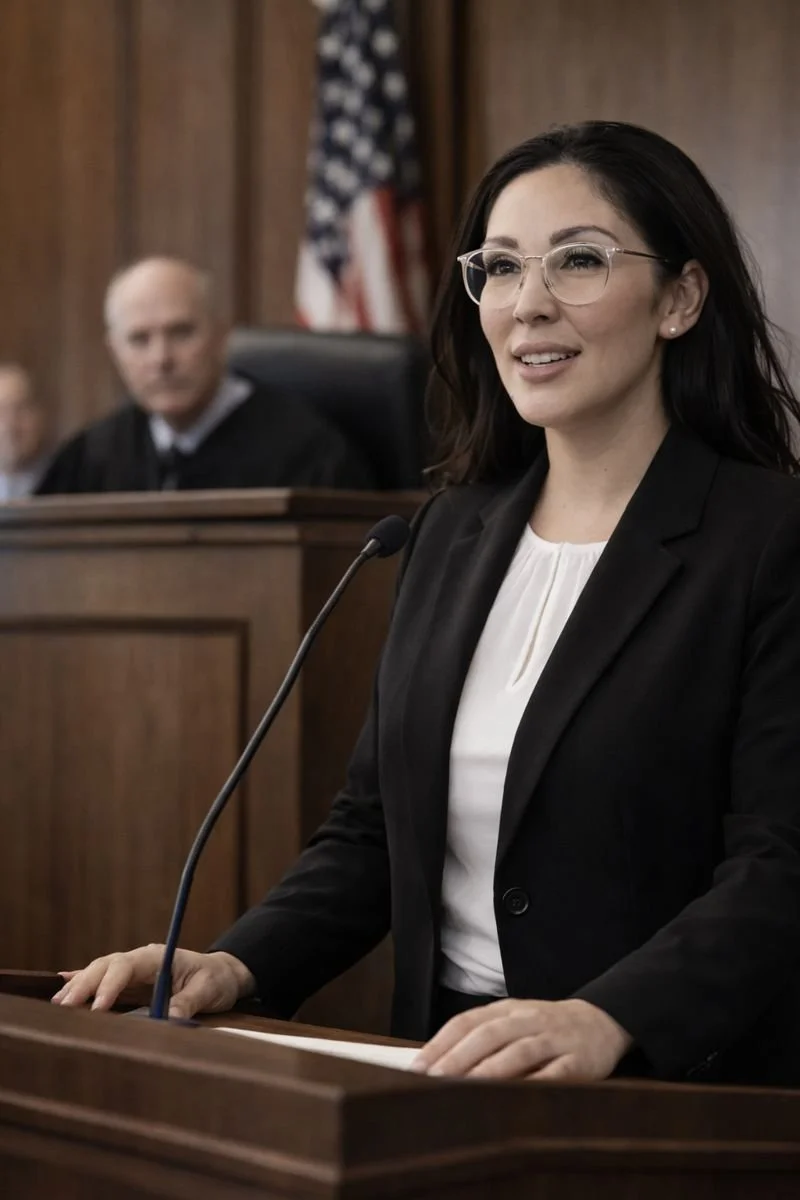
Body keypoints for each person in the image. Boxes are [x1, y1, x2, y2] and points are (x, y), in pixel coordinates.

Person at [53, 121, 800, 1087]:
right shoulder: (448, 532)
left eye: (579, 261)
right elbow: (373, 831)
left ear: (681, 298)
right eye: (498, 267)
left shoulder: (768, 538)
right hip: (440, 1074)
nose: (527, 305)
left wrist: (610, 1018)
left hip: (669, 1088)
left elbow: (781, 865)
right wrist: (238, 962)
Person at [36, 257, 375, 494]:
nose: (161, 358)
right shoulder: (90, 458)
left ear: (220, 334)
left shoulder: (307, 453)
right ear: (114, 352)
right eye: (139, 339)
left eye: (181, 332)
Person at [0, 365, 53, 500]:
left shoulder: (66, 478)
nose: (10, 425)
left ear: (40, 415)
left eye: (21, 409)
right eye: (1, 411)